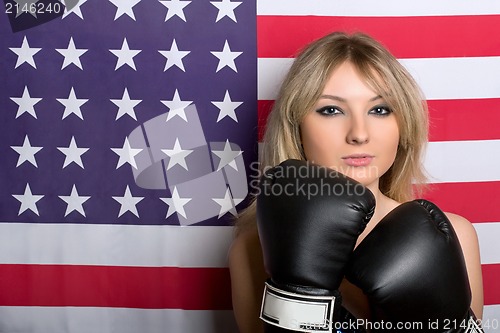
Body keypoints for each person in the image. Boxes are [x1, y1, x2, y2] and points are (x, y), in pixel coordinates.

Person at [228, 31, 483, 333]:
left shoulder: (455, 235)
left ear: (404, 124)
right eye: (331, 110)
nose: (359, 133)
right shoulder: (252, 248)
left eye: (380, 109)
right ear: (296, 127)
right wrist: (296, 299)